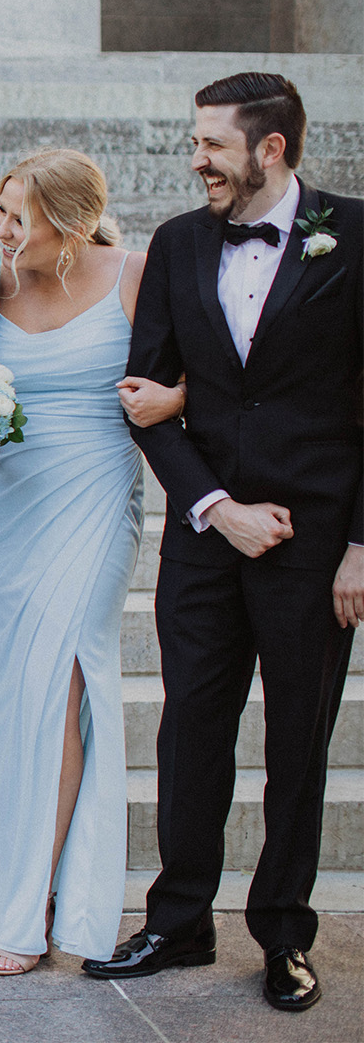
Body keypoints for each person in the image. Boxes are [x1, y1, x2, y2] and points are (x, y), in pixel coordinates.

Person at [91, 73, 364, 1013]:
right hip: (206, 538)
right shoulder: (174, 244)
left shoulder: (357, 235)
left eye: (212, 143)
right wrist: (213, 505)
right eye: (194, 141)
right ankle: (177, 919)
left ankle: (285, 934)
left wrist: (362, 547)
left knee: (299, 739)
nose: (195, 158)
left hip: (317, 545)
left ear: (272, 148)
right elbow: (143, 397)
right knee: (190, 728)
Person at [0, 150, 181, 973]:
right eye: (2, 213)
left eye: (17, 218)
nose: (1, 232)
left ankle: (37, 896)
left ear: (71, 226)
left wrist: (172, 398)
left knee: (63, 679)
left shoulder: (135, 274)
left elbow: (192, 371)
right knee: (9, 687)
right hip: (10, 508)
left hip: (95, 499)